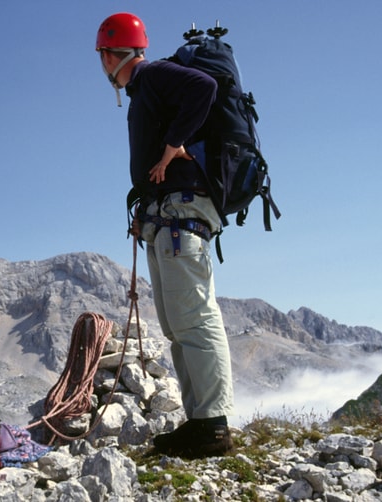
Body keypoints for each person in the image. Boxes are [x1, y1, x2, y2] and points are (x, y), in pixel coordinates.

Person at [95, 12, 235, 459]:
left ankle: (213, 426)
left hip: (181, 215)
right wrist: (146, 208)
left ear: (110, 54)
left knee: (193, 316)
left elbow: (205, 89)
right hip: (165, 215)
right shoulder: (145, 91)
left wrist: (176, 142)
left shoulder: (152, 75)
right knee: (178, 323)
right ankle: (200, 422)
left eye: (101, 56)